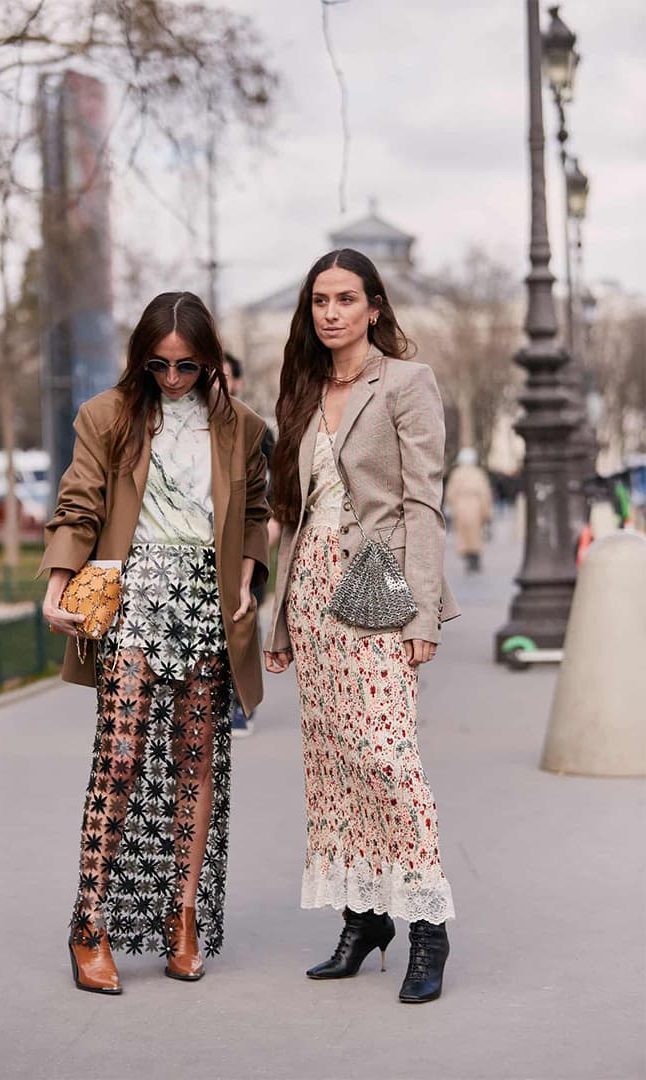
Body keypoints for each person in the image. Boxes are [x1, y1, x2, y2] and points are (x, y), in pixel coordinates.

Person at [41, 292, 269, 994]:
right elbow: (79, 501)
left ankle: (183, 918)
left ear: (209, 360)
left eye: (187, 365)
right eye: (159, 364)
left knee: (196, 762)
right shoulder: (108, 416)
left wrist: (249, 578)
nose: (172, 378)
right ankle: (89, 923)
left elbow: (256, 512)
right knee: (121, 756)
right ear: (141, 357)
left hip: (205, 602)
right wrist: (55, 583)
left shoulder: (241, 428)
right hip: (134, 597)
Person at [264, 248, 459, 1004]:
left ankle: (428, 928)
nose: (332, 312)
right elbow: (294, 510)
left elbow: (422, 503)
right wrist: (280, 620)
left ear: (374, 306)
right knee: (334, 760)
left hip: (376, 589)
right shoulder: (306, 386)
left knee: (385, 753)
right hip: (311, 592)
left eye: (347, 298)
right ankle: (364, 915)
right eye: (321, 300)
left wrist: (424, 612)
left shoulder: (406, 382)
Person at [222, 352, 277, 737]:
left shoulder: (256, 430)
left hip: (247, 541)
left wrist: (271, 530)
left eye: (223, 376)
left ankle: (242, 704)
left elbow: (279, 487)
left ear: (237, 382)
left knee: (242, 620)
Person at [444, 447, 494, 572]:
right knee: (476, 533)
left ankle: (468, 558)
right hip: (475, 505)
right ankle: (475, 558)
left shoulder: (456, 473)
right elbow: (484, 493)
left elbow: (450, 492)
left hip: (460, 505)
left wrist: (449, 506)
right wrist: (487, 512)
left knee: (463, 533)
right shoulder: (478, 473)